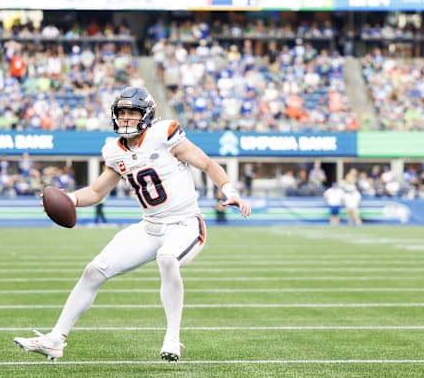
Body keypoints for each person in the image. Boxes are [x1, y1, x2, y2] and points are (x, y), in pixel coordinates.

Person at [14, 87, 251, 362]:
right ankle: (55, 339)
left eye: (133, 112)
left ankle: (172, 338)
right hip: (149, 227)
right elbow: (97, 191)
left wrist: (230, 191)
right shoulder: (114, 151)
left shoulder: (164, 135)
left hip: (185, 223)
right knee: (93, 271)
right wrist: (69, 199)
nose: (126, 118)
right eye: (122, 113)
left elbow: (208, 164)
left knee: (167, 258)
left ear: (146, 115)